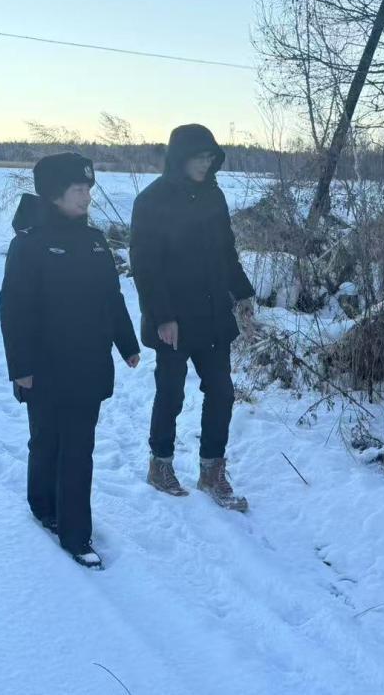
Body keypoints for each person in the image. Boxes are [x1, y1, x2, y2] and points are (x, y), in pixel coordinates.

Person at [0, 153, 140, 569]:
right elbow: (14, 308)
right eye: (78, 189)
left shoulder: (95, 241)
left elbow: (111, 298)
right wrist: (21, 367)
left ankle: (76, 534)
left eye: (88, 189)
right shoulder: (29, 243)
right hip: (43, 367)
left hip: (88, 365)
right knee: (46, 441)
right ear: (54, 194)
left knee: (78, 449)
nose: (86, 197)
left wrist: (127, 343)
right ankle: (43, 505)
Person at [130, 124, 255, 512]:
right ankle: (160, 465)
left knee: (221, 391)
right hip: (174, 319)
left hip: (213, 313)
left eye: (210, 157)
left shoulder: (214, 196)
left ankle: (212, 471)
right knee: (171, 392)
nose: (205, 163)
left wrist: (243, 291)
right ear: (180, 158)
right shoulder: (151, 201)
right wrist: (163, 317)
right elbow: (145, 266)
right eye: (198, 157)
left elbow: (226, 251)